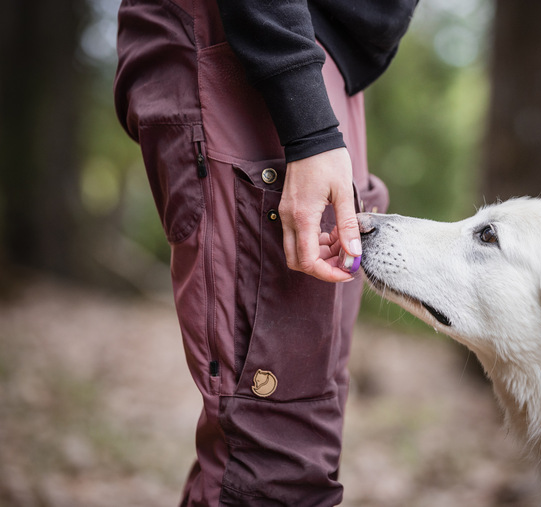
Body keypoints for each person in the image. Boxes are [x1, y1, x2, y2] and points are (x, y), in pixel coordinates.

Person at [114, 1, 418, 505]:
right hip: (254, 40)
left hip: (312, 57)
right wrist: (308, 123)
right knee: (274, 458)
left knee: (300, 441)